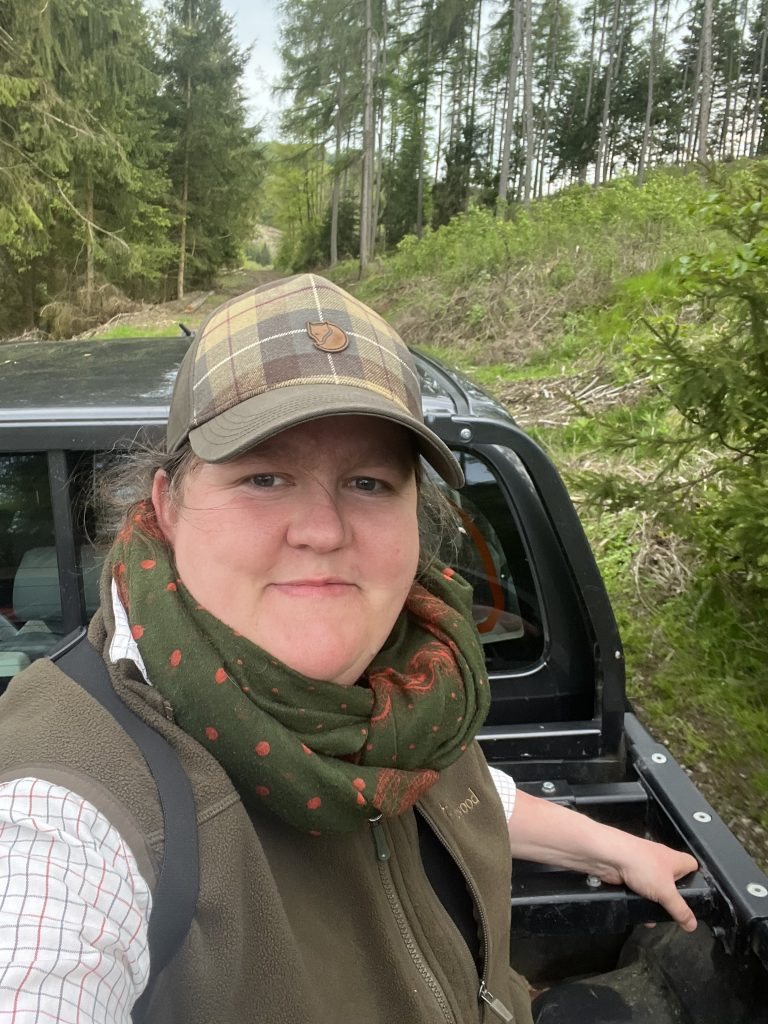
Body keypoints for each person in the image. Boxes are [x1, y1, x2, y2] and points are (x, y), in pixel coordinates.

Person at [0, 274, 697, 1024]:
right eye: (265, 477)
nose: (324, 530)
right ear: (167, 505)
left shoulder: (412, 680)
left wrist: (609, 849)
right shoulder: (65, 812)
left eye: (368, 483)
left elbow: (453, 792)